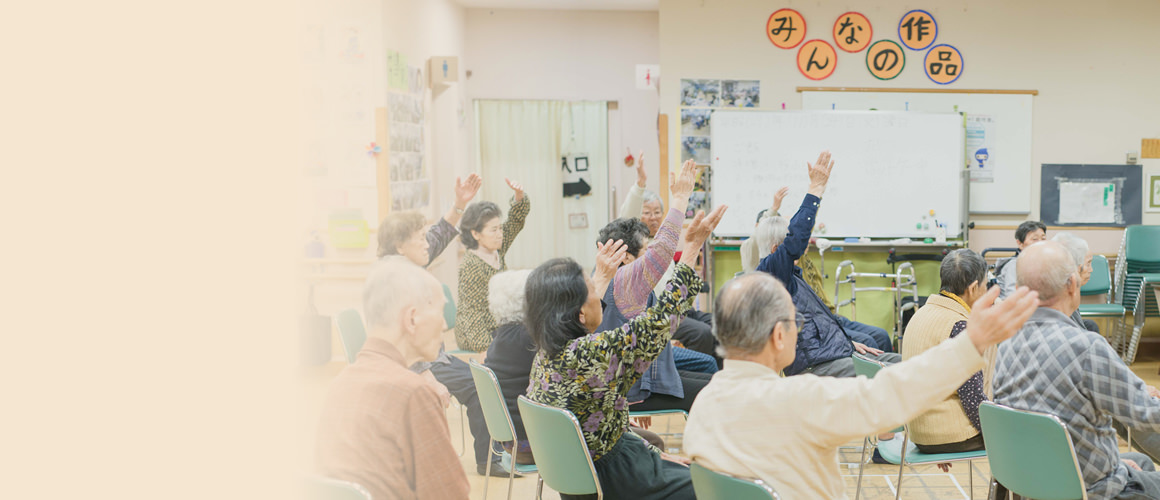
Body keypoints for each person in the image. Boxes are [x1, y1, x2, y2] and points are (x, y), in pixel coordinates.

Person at [682, 271, 1040, 499]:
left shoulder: (703, 404)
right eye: (796, 323)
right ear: (778, 335)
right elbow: (889, 396)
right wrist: (971, 343)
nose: (798, 329)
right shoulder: (798, 400)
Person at [525, 203, 728, 500]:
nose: (600, 292)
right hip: (616, 473)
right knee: (716, 488)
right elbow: (662, 321)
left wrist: (603, 276)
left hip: (588, 470)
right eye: (593, 290)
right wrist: (694, 244)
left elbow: (585, 324)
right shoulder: (596, 354)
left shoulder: (545, 355)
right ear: (580, 312)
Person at [993, 241, 1160, 499]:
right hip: (1088, 489)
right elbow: (1146, 415)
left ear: (1018, 289)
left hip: (1032, 482)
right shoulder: (1087, 347)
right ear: (1072, 284)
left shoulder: (1005, 345)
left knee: (1141, 462)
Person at [315, 257, 469, 500]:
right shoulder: (413, 393)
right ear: (411, 319)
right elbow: (450, 495)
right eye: (440, 312)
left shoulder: (339, 383)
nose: (444, 325)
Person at [483, 269, 665, 465]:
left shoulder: (505, 336)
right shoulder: (532, 340)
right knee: (650, 441)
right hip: (539, 443)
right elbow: (582, 336)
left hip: (518, 439)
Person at [754, 151, 899, 376]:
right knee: (893, 374)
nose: (799, 244)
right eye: (789, 238)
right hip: (818, 366)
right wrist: (816, 190)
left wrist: (849, 344)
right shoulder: (770, 275)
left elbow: (822, 322)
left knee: (901, 361)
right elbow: (795, 241)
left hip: (836, 353)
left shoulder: (791, 275)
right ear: (776, 249)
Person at [597, 160, 716, 417]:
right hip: (632, 385)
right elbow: (662, 250)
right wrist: (681, 198)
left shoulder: (609, 281)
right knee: (718, 392)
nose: (649, 256)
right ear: (625, 257)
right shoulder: (624, 280)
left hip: (639, 374)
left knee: (713, 377)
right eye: (644, 251)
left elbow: (668, 321)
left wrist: (693, 246)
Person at [900, 249, 992, 454]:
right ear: (974, 287)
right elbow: (973, 399)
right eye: (986, 285)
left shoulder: (922, 312)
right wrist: (1002, 430)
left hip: (920, 431)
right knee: (1023, 437)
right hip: (951, 434)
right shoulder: (960, 325)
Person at [455, 178, 530, 352]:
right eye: (493, 230)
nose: (500, 234)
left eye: (500, 228)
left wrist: (518, 196)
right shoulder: (471, 266)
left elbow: (515, 221)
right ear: (475, 234)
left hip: (499, 323)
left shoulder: (497, 247)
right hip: (477, 333)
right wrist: (487, 350)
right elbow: (472, 314)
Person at [1052, 232, 1100, 333]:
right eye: (1088, 264)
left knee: (1090, 325)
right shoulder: (1064, 300)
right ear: (1074, 268)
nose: (1091, 270)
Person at [995, 220, 1046, 298]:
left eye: (1043, 238)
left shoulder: (1043, 262)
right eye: (1035, 239)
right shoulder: (1013, 266)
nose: (1040, 243)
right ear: (1020, 244)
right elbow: (1013, 297)